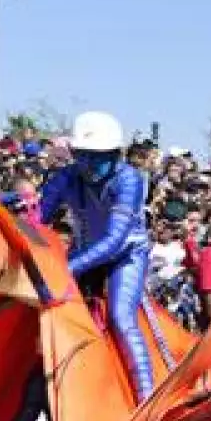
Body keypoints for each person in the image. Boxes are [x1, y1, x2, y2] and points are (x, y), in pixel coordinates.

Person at [37, 110, 156, 400]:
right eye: (84, 154)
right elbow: (38, 218)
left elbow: (115, 240)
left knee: (120, 317)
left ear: (116, 154)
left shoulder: (130, 180)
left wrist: (66, 269)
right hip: (82, 251)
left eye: (99, 155)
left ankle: (148, 400)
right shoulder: (66, 176)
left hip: (125, 255)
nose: (90, 163)